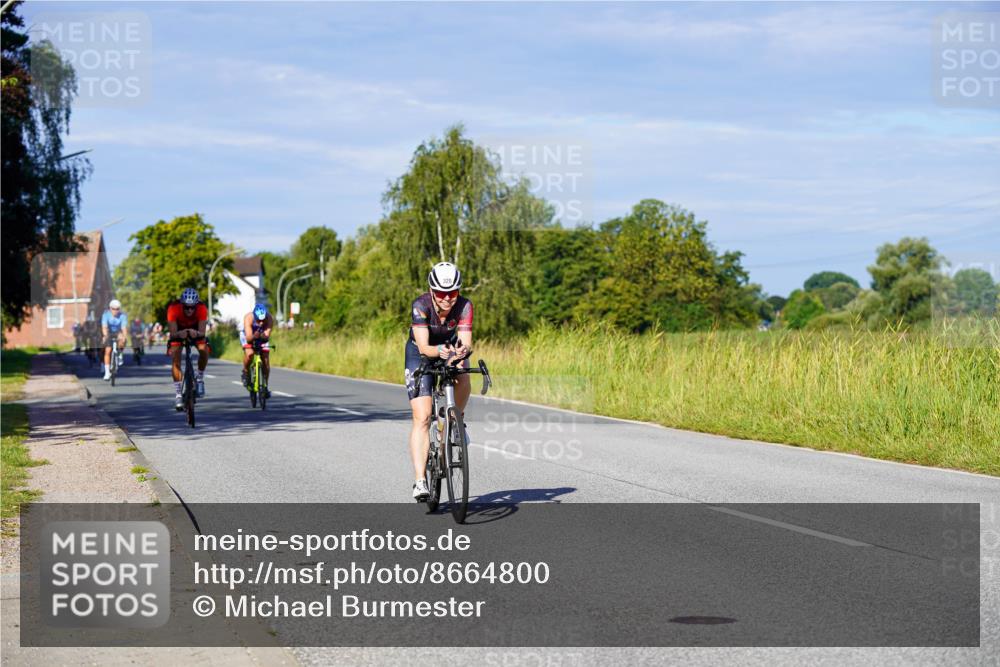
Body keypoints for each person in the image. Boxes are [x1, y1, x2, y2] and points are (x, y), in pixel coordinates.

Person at [405, 262, 473, 501]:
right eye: (442, 293)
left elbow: (466, 342)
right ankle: (420, 480)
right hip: (420, 354)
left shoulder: (464, 306)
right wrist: (442, 351)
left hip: (448, 350)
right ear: (432, 290)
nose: (447, 299)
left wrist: (458, 356)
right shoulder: (420, 306)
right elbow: (424, 347)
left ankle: (455, 420)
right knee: (422, 417)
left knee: (464, 376)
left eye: (452, 293)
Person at [166, 288, 209, 410]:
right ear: (182, 304)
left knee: (204, 350)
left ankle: (200, 378)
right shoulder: (173, 308)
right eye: (186, 307)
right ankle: (178, 393)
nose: (189, 310)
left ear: (196, 305)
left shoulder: (202, 308)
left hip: (196, 330)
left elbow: (202, 332)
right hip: (178, 331)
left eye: (192, 307)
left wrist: (196, 333)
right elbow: (173, 334)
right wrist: (180, 334)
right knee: (175, 358)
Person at [241, 303, 274, 397]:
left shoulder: (270, 318)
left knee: (266, 360)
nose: (261, 323)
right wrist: (253, 336)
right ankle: (245, 371)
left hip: (261, 337)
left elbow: (267, 335)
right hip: (248, 335)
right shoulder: (248, 318)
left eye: (263, 320)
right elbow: (248, 338)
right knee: (250, 354)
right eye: (259, 320)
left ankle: (265, 386)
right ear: (255, 317)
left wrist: (264, 336)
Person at [100, 299, 128, 381]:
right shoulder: (106, 315)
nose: (115, 311)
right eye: (113, 309)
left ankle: (120, 354)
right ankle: (107, 372)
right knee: (107, 351)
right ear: (110, 308)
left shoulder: (123, 316)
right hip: (109, 332)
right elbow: (104, 327)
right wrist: (105, 336)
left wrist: (124, 337)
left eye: (117, 309)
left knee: (122, 339)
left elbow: (124, 328)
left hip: (118, 332)